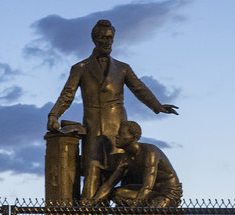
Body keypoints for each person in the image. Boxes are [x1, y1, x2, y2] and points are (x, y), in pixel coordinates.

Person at [47, 19, 178, 201]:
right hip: (93, 129)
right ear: (94, 39)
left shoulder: (122, 68)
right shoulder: (80, 68)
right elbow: (67, 95)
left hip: (118, 130)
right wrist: (54, 114)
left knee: (120, 172)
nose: (107, 42)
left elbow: (139, 88)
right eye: (103, 38)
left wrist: (157, 106)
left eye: (110, 38)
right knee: (93, 169)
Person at [89, 120, 183, 215]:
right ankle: (150, 212)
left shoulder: (150, 153)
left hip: (168, 193)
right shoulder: (126, 157)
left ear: (134, 137)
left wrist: (133, 214)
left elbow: (147, 187)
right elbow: (109, 185)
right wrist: (92, 203)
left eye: (121, 134)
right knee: (117, 193)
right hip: (150, 193)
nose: (116, 136)